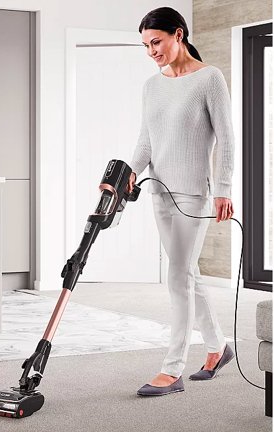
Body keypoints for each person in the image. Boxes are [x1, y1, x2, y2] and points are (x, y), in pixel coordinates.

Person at [127, 7, 236, 397]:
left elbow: (226, 138)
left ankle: (171, 369)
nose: (151, 51)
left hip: (195, 194)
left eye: (156, 42)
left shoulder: (209, 79)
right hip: (160, 192)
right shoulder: (151, 85)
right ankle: (217, 347)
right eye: (145, 45)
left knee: (177, 276)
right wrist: (127, 174)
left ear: (178, 34)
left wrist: (223, 188)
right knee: (186, 272)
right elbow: (145, 141)